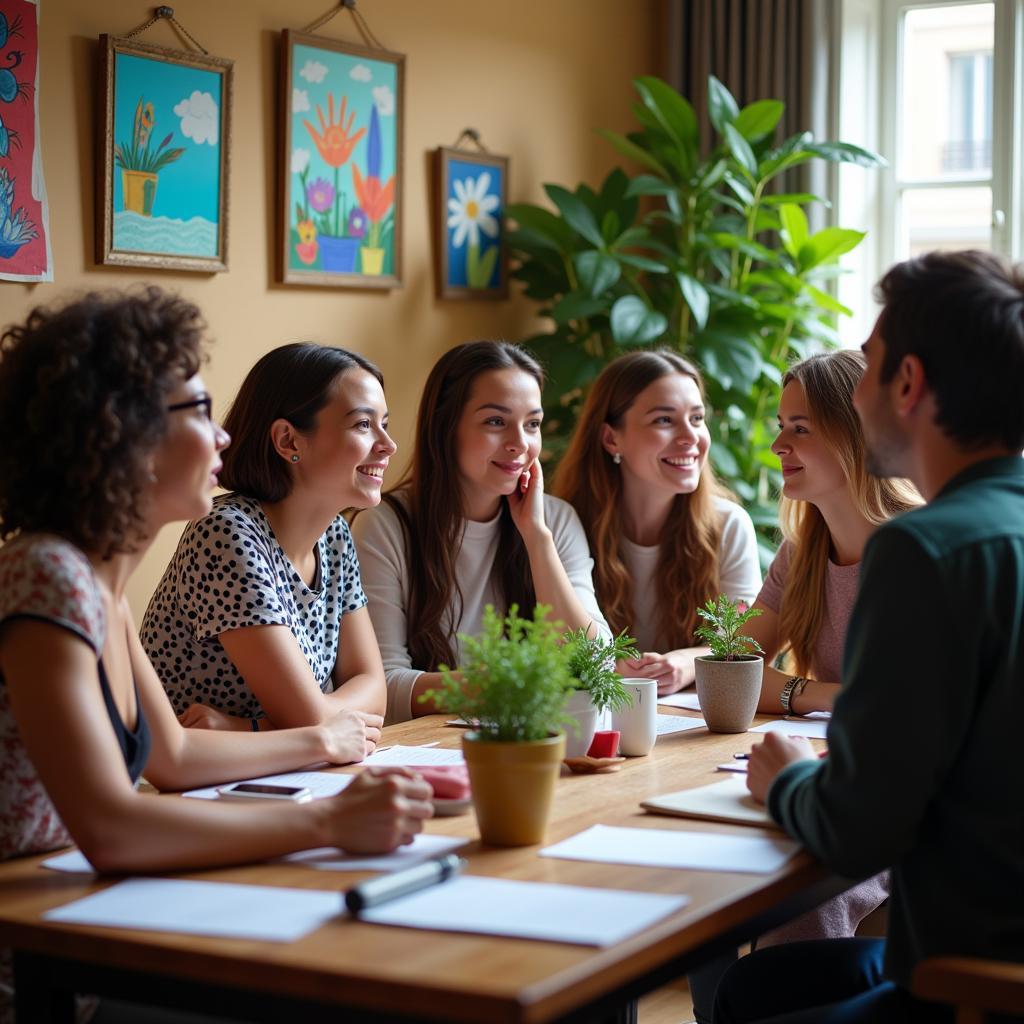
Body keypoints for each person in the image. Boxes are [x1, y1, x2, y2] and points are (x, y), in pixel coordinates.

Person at [0, 289, 432, 1021]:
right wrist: (327, 824)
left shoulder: (101, 580)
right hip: (42, 961)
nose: (226, 437)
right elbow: (112, 827)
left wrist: (303, 740)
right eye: (198, 412)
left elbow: (171, 758)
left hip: (84, 918)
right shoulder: (46, 574)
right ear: (122, 435)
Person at [715, 250, 1024, 1024]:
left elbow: (860, 826)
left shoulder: (923, 552)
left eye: (869, 368)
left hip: (968, 989)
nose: (856, 391)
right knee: (753, 988)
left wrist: (784, 777)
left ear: (909, 385)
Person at [685, 350, 918, 1024]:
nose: (778, 444)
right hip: (829, 773)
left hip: (890, 808)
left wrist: (798, 693)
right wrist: (811, 694)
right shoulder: (804, 548)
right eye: (781, 425)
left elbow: (895, 713)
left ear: (854, 433)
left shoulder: (915, 550)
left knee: (806, 894)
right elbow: (734, 669)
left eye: (800, 428)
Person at [143, 343, 393, 743]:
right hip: (189, 782)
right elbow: (310, 718)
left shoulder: (335, 535)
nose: (387, 444)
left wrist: (249, 728)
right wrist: (311, 722)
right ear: (289, 441)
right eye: (364, 425)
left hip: (283, 768)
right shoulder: (225, 532)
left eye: (384, 424)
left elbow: (375, 690)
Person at [352, 340, 609, 722]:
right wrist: (509, 683)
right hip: (428, 752)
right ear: (445, 426)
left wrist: (536, 538)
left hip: (535, 742)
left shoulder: (554, 521)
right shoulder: (385, 525)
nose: (520, 444)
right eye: (495, 422)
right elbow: (384, 687)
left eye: (532, 424)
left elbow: (596, 666)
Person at [554, 349, 760, 694]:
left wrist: (688, 663)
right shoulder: (565, 527)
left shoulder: (729, 525)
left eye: (697, 418)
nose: (690, 437)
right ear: (611, 438)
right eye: (664, 420)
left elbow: (747, 639)